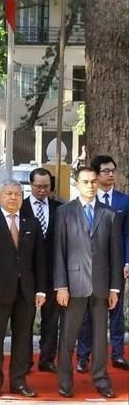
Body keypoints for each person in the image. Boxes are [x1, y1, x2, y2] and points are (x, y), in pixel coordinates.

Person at [53, 166, 122, 399]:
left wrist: (115, 288)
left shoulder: (110, 213)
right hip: (73, 285)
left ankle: (101, 380)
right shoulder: (64, 212)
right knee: (68, 337)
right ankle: (65, 381)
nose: (90, 186)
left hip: (102, 286)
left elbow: (115, 254)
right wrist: (61, 285)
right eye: (85, 182)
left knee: (100, 338)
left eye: (94, 181)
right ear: (77, 184)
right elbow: (59, 251)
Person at [0, 179, 46, 398]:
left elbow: (40, 261)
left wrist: (41, 290)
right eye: (9, 194)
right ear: (0, 197)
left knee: (23, 339)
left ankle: (19, 381)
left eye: (18, 194)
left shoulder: (31, 223)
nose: (13, 197)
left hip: (26, 292)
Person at [76, 155, 129, 371]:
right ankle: (83, 356)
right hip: (88, 267)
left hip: (115, 265)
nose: (110, 174)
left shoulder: (124, 201)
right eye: (106, 171)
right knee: (86, 313)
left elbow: (127, 234)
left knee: (116, 311)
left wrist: (127, 261)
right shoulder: (85, 200)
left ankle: (117, 354)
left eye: (113, 171)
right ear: (96, 175)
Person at [19, 167, 62, 372]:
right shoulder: (20, 208)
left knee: (51, 320)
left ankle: (47, 359)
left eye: (46, 186)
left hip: (53, 273)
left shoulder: (59, 209)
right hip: (27, 274)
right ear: (31, 185)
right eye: (38, 186)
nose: (43, 190)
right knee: (25, 319)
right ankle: (24, 360)